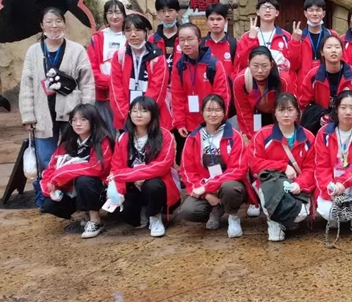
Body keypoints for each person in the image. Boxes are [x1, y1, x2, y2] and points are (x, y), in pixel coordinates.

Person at [20, 7, 95, 207]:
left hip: (72, 113)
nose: (54, 26)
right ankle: (47, 197)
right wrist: (28, 115)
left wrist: (87, 111)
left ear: (64, 23)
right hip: (42, 113)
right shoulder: (33, 51)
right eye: (49, 21)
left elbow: (87, 82)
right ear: (42, 25)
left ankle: (73, 197)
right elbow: (27, 85)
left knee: (72, 155)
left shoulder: (77, 50)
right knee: (45, 157)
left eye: (58, 21)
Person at [178, 94, 250, 237]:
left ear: (224, 112)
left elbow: (239, 169)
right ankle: (216, 209)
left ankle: (233, 216)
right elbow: (187, 171)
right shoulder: (193, 138)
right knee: (188, 211)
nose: (213, 114)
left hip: (228, 184)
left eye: (217, 110)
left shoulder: (234, 136)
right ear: (202, 112)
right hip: (204, 185)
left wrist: (207, 187)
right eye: (209, 110)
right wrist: (206, 194)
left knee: (230, 188)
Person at [108, 96, 179, 237]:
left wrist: (133, 175)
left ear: (153, 113)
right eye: (134, 111)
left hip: (158, 184)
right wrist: (127, 182)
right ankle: (142, 210)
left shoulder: (164, 135)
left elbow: (162, 166)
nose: (138, 115)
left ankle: (155, 217)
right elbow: (116, 168)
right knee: (121, 214)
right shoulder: (123, 138)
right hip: (132, 184)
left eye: (144, 111)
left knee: (153, 185)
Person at [40, 104, 115, 238]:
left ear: (93, 120)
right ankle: (84, 213)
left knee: (84, 180)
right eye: (74, 120)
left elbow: (96, 168)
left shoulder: (102, 141)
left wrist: (62, 173)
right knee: (49, 204)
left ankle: (95, 220)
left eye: (83, 119)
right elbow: (50, 170)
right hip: (72, 190)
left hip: (102, 189)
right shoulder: (67, 143)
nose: (77, 123)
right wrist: (50, 188)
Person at [250, 93, 316, 241]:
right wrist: (282, 167)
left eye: (290, 110)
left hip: (297, 184)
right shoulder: (262, 135)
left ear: (297, 112)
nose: (286, 114)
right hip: (270, 183)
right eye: (281, 110)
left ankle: (285, 221)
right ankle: (273, 222)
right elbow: (254, 163)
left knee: (301, 214)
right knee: (274, 192)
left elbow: (312, 168)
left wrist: (300, 183)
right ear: (274, 113)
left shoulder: (308, 137)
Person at [314, 91, 352, 238]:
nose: (348, 112)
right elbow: (321, 166)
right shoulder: (324, 133)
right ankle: (338, 219)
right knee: (328, 212)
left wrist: (344, 182)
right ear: (336, 109)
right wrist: (329, 190)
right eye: (343, 107)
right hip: (331, 184)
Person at [109, 14, 171, 131]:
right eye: (128, 30)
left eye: (137, 30)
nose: (133, 34)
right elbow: (115, 90)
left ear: (145, 32)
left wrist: (143, 114)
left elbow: (158, 89)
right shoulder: (119, 56)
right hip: (126, 119)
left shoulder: (157, 57)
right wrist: (128, 116)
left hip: (153, 118)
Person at [172, 23, 230, 145]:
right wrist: (180, 122)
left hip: (211, 123)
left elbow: (222, 96)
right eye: (182, 40)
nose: (186, 44)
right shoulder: (179, 66)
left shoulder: (213, 65)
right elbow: (177, 96)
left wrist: (216, 121)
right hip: (188, 125)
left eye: (190, 39)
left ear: (199, 41)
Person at [298, 34, 352, 134]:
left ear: (342, 51)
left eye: (337, 47)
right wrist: (320, 116)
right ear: (322, 52)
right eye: (329, 47)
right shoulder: (313, 75)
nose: (333, 50)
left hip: (347, 122)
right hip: (319, 125)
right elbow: (304, 103)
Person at [232, 46, 289, 143]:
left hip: (277, 115)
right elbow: (244, 113)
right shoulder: (241, 81)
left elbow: (288, 110)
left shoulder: (283, 80)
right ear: (248, 64)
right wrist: (254, 140)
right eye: (255, 66)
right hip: (254, 115)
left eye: (264, 66)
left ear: (271, 64)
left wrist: (284, 136)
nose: (260, 70)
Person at [86, 0, 127, 130]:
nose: (114, 16)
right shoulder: (97, 38)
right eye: (110, 12)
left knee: (126, 133)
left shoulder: (131, 36)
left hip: (125, 96)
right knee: (106, 134)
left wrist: (120, 85)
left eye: (118, 12)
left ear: (124, 15)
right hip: (103, 96)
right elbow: (91, 67)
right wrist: (110, 82)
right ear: (105, 15)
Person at [236, 0, 294, 84]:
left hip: (279, 81)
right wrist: (251, 39)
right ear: (258, 12)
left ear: (277, 13)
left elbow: (292, 63)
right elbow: (243, 62)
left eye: (270, 8)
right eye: (264, 7)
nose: (267, 10)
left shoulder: (286, 36)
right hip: (254, 81)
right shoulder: (247, 36)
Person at [288, 0, 338, 83]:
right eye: (311, 10)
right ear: (305, 13)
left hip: (327, 80)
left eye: (318, 10)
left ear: (323, 13)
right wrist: (295, 42)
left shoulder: (331, 34)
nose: (314, 13)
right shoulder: (299, 36)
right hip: (304, 82)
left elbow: (339, 59)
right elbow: (293, 66)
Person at [201, 2, 237, 79]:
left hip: (228, 85)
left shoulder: (234, 44)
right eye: (212, 19)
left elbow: (238, 69)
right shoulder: (201, 44)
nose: (215, 23)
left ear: (225, 20)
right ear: (206, 21)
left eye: (219, 19)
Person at [149, 0, 182, 76]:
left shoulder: (184, 37)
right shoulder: (152, 40)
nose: (167, 15)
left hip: (180, 82)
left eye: (170, 10)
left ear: (177, 12)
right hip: (159, 81)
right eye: (163, 11)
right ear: (158, 14)